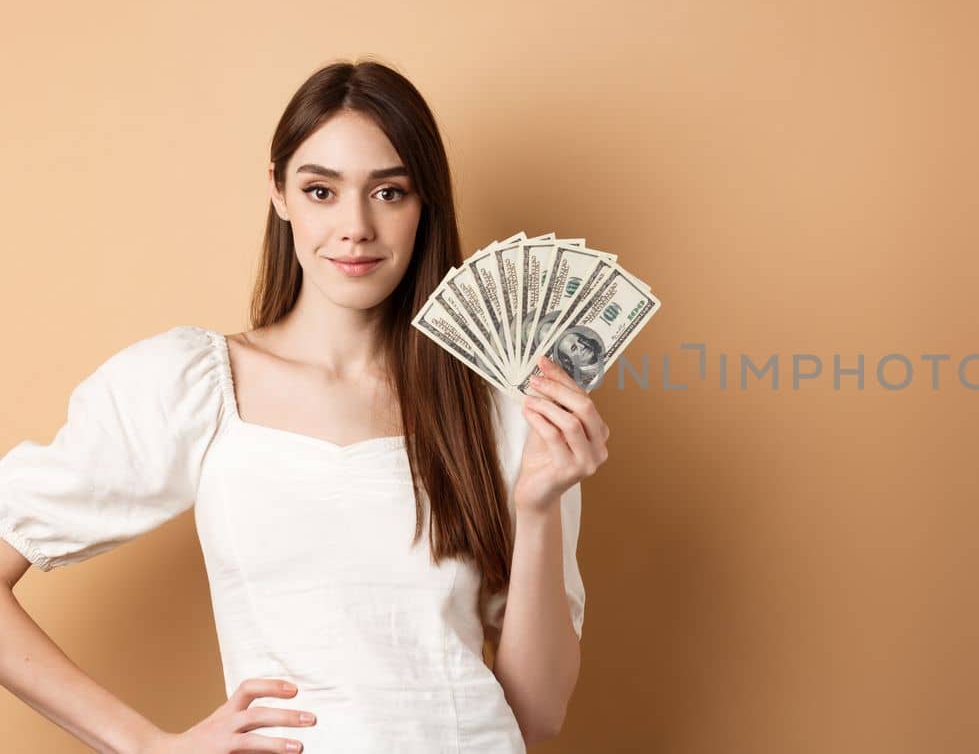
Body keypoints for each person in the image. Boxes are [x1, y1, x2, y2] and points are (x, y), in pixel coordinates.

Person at [0, 59, 609, 753]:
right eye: (321, 190)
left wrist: (536, 510)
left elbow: (536, 717)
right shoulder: (196, 384)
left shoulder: (499, 408)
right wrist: (144, 744)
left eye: (389, 192)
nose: (355, 227)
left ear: (425, 205)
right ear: (278, 192)